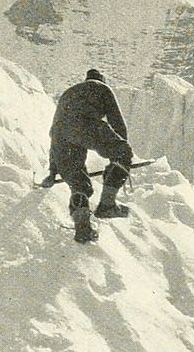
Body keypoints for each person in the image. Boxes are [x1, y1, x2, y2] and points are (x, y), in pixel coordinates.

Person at [49, 68, 135, 242]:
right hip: (83, 124)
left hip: (60, 134)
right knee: (123, 153)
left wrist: (53, 172)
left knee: (78, 182)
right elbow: (117, 123)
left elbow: (55, 133)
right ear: (101, 80)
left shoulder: (68, 93)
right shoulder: (102, 88)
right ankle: (107, 205)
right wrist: (120, 156)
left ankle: (83, 227)